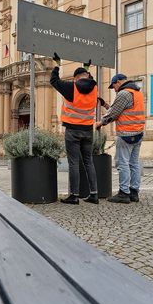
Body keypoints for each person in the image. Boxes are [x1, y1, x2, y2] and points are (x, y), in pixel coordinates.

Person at [50, 52, 99, 204]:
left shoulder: (71, 87)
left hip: (72, 130)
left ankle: (74, 196)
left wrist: (58, 64)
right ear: (87, 75)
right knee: (88, 161)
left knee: (73, 162)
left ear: (76, 78)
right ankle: (94, 194)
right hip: (88, 130)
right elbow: (88, 79)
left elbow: (54, 80)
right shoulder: (95, 88)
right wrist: (86, 67)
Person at [95, 73, 145, 203]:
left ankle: (124, 193)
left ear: (118, 82)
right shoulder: (137, 92)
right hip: (138, 133)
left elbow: (114, 113)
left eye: (114, 86)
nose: (114, 89)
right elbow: (120, 109)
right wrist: (105, 104)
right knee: (133, 163)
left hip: (126, 134)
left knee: (122, 163)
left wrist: (100, 123)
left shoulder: (124, 93)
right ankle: (134, 192)